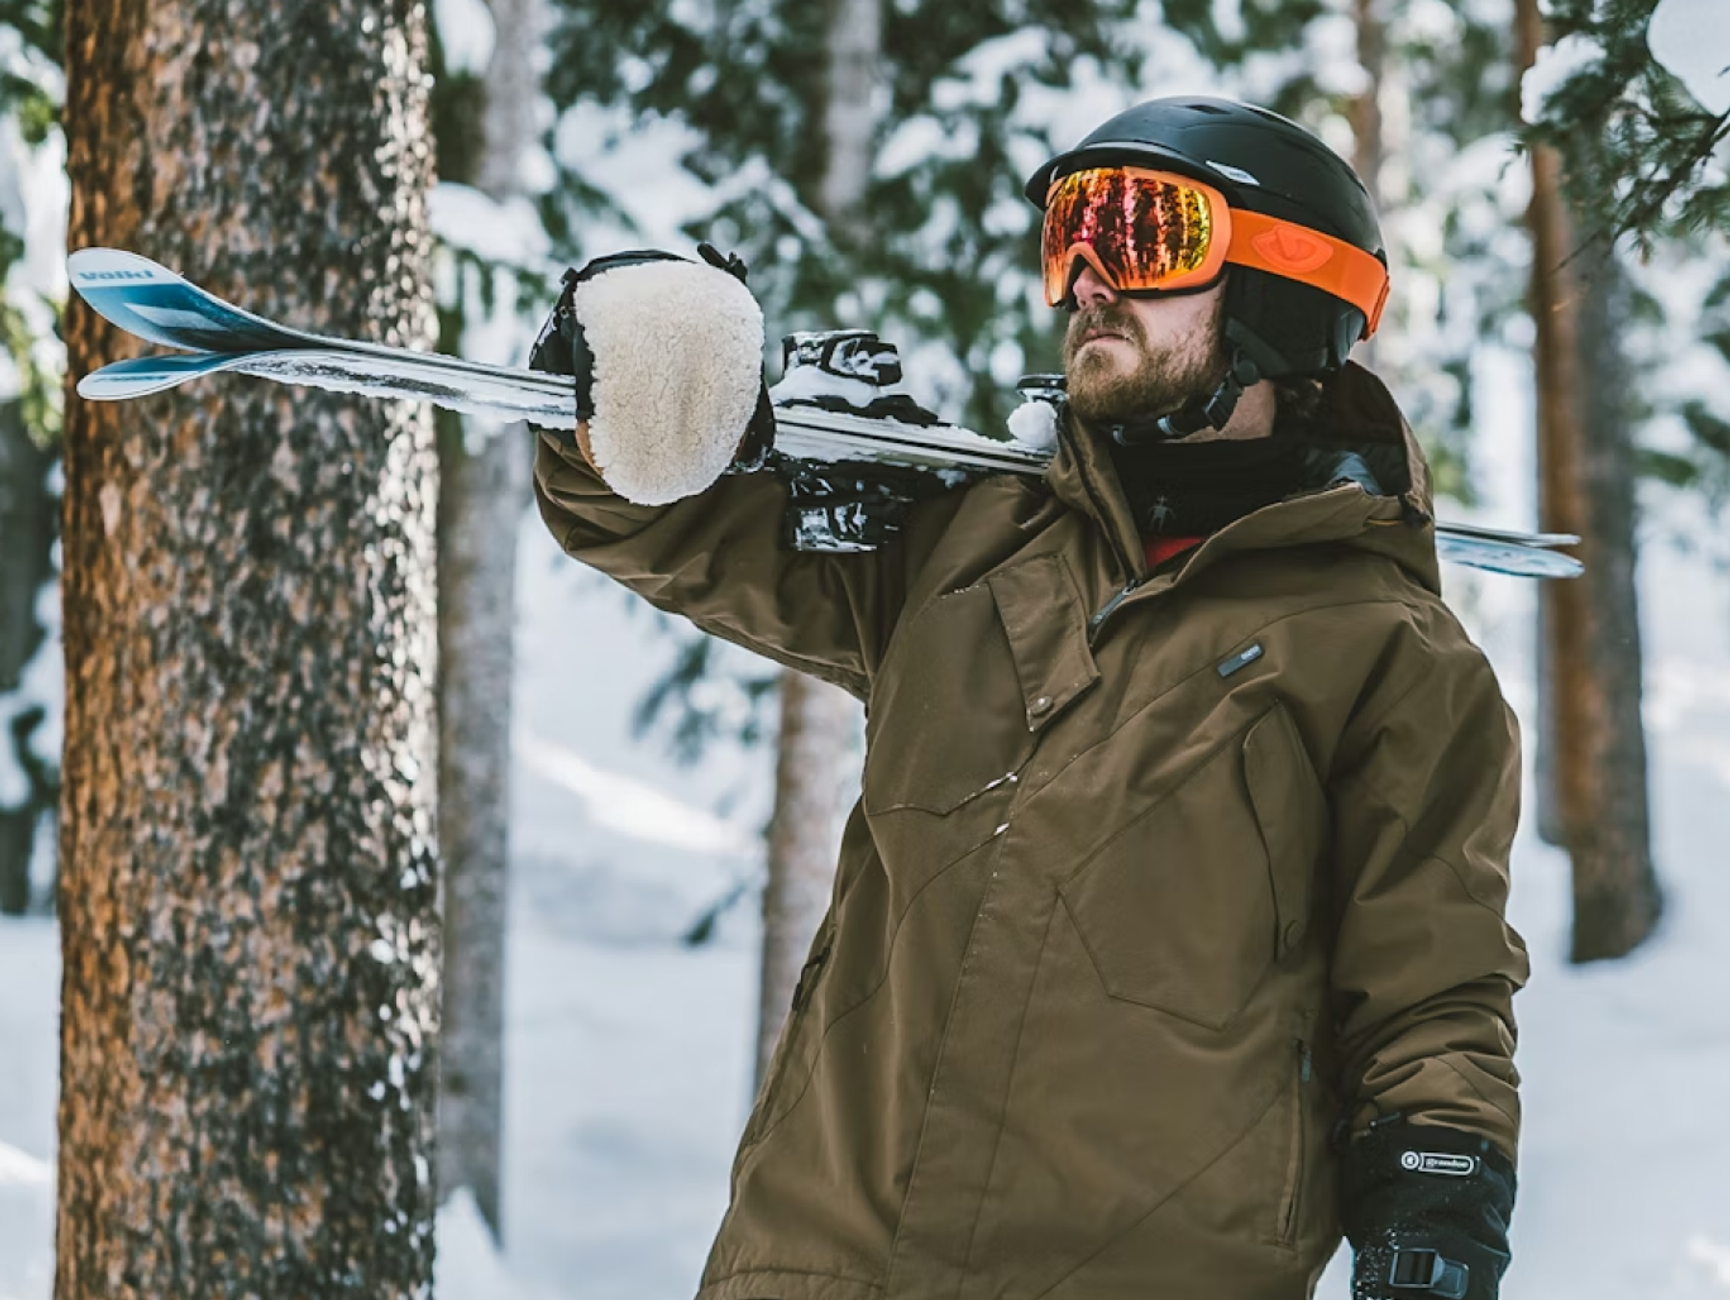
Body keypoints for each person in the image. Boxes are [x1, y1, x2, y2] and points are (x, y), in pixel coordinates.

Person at [530, 97, 1527, 1300]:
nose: (1089, 280)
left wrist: (1437, 1202)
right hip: (819, 1269)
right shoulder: (960, 544)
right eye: (1071, 236)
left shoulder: (1385, 655)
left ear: (1284, 290)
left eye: (1147, 235)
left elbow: (1431, 990)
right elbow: (655, 517)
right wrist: (645, 385)